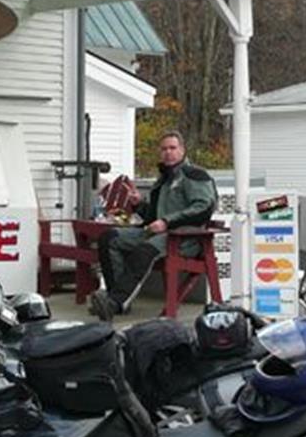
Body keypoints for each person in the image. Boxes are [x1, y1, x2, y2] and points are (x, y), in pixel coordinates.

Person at [89, 130, 217, 320]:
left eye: (172, 148)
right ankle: (117, 301)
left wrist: (167, 222)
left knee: (144, 251)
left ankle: (115, 302)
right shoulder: (163, 180)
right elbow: (152, 217)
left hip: (184, 238)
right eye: (164, 149)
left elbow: (205, 207)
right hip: (157, 235)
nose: (168, 152)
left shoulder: (194, 175)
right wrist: (138, 204)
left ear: (182, 150)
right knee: (109, 238)